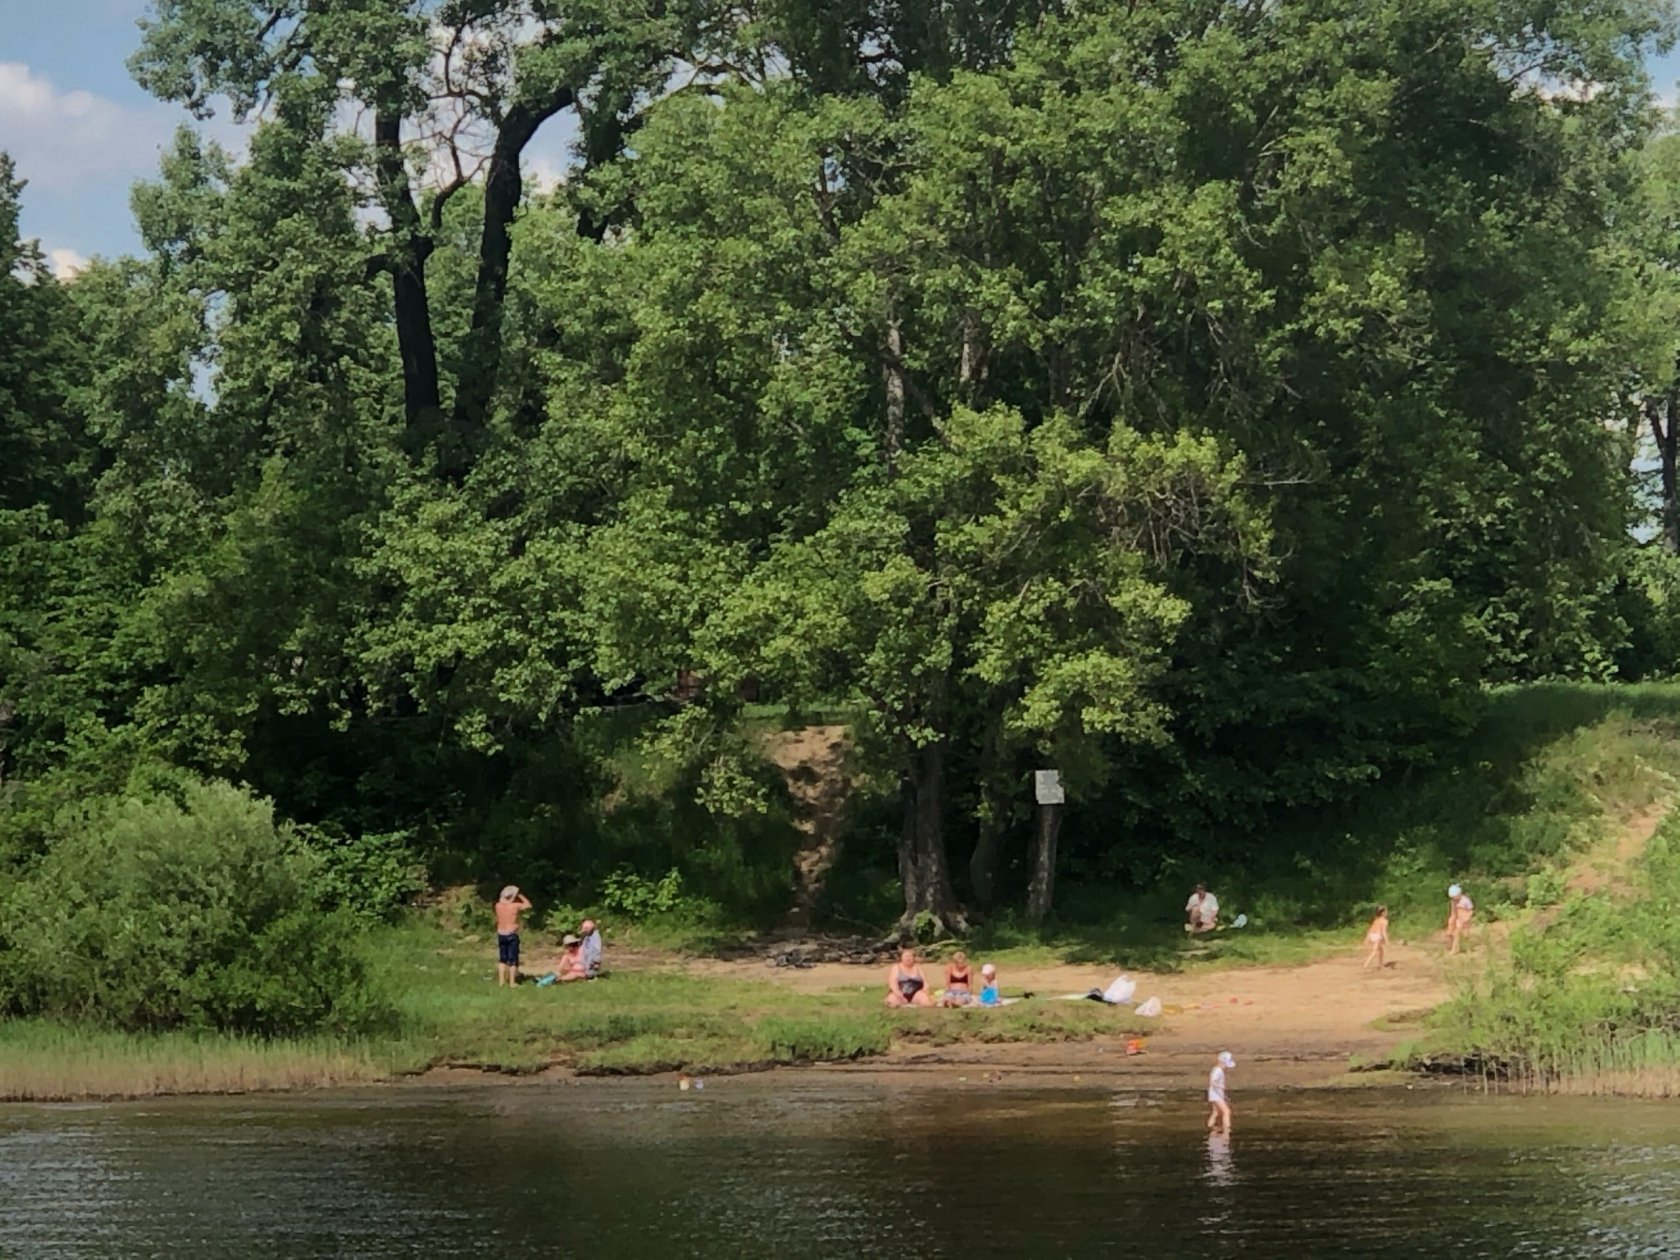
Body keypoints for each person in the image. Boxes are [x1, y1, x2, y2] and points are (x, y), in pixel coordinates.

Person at [494, 885, 532, 987]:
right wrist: (520, 895)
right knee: (513, 959)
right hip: (511, 933)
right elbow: (528, 905)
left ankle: (501, 982)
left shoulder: (497, 905)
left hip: (501, 933)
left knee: (502, 959)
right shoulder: (515, 906)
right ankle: (512, 982)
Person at [1207, 1051, 1235, 1135]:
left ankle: (1210, 1128)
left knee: (1216, 1112)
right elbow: (1212, 1082)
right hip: (1216, 1095)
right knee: (1226, 1111)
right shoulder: (1218, 1071)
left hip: (1215, 1094)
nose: (1226, 1067)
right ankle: (1227, 1131)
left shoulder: (1216, 1069)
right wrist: (1221, 1087)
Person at [1445, 884, 1474, 955]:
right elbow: (1453, 911)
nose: (1454, 899)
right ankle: (1454, 949)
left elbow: (1471, 910)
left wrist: (1467, 918)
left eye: (1455, 897)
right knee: (1455, 934)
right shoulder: (1453, 901)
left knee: (1466, 935)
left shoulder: (1465, 900)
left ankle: (1468, 949)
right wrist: (1452, 919)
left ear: (1459, 894)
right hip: (1458, 919)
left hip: (1465, 919)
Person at [1362, 905, 1390, 970]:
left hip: (1372, 935)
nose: (1387, 913)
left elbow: (1371, 929)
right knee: (1374, 951)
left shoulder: (1376, 920)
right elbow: (1384, 931)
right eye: (1386, 912)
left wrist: (1367, 938)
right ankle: (1366, 965)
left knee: (1381, 950)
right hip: (1377, 936)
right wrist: (1387, 941)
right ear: (1383, 913)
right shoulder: (1385, 921)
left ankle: (1380, 965)